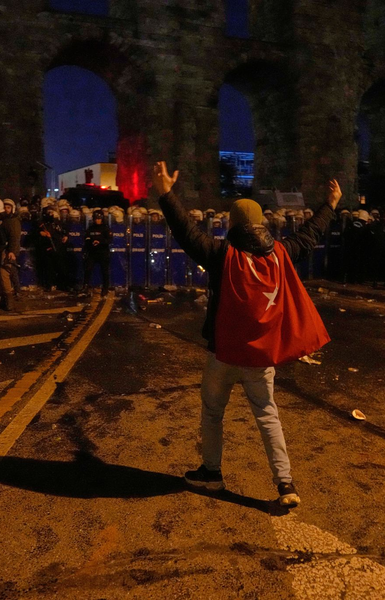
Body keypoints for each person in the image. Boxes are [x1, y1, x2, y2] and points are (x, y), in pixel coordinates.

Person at [153, 160, 340, 507]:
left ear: (233, 224)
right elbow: (311, 234)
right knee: (268, 415)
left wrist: (166, 194)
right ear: (262, 224)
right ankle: (285, 484)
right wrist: (330, 205)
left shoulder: (223, 254)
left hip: (223, 352)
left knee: (212, 412)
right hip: (261, 356)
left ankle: (211, 474)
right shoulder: (282, 253)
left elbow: (186, 232)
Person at [83, 209, 112, 296]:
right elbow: (86, 238)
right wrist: (91, 242)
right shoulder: (91, 228)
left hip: (103, 252)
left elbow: (109, 240)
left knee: (104, 271)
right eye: (96, 219)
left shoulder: (106, 228)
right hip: (92, 252)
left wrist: (100, 241)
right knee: (88, 269)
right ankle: (86, 287)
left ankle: (105, 288)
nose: (97, 220)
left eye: (99, 219)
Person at [1, 198, 21, 307]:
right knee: (10, 270)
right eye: (4, 207)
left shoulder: (13, 221)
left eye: (8, 207)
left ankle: (17, 291)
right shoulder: (5, 219)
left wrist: (12, 251)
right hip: (8, 249)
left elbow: (15, 237)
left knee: (11, 270)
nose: (6, 209)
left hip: (10, 251)